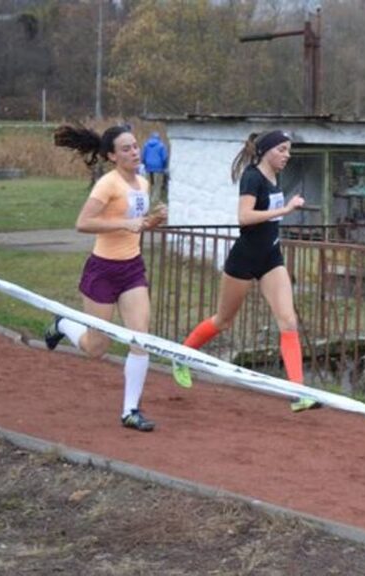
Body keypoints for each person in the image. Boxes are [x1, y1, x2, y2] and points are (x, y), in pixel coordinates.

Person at [170, 131, 320, 413]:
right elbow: (244, 217)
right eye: (282, 149)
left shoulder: (275, 177)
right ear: (266, 151)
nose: (287, 155)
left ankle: (298, 392)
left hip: (271, 257)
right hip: (245, 258)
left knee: (288, 322)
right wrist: (285, 210)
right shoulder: (252, 177)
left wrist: (282, 211)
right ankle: (182, 355)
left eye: (289, 150)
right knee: (223, 320)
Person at [44, 124, 168, 432]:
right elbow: (83, 223)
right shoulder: (107, 184)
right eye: (126, 149)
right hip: (102, 270)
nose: (134, 152)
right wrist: (125, 224)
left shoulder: (143, 182)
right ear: (112, 156)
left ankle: (130, 411)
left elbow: (135, 224)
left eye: (135, 146)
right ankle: (63, 323)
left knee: (140, 338)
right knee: (96, 349)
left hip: (132, 269)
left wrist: (151, 222)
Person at [141, 132, 169, 201]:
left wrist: (145, 164)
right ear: (158, 138)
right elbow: (164, 158)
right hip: (158, 168)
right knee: (157, 185)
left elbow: (143, 157)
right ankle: (155, 199)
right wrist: (164, 167)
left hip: (148, 168)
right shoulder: (161, 146)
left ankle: (148, 198)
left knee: (149, 184)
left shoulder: (146, 145)